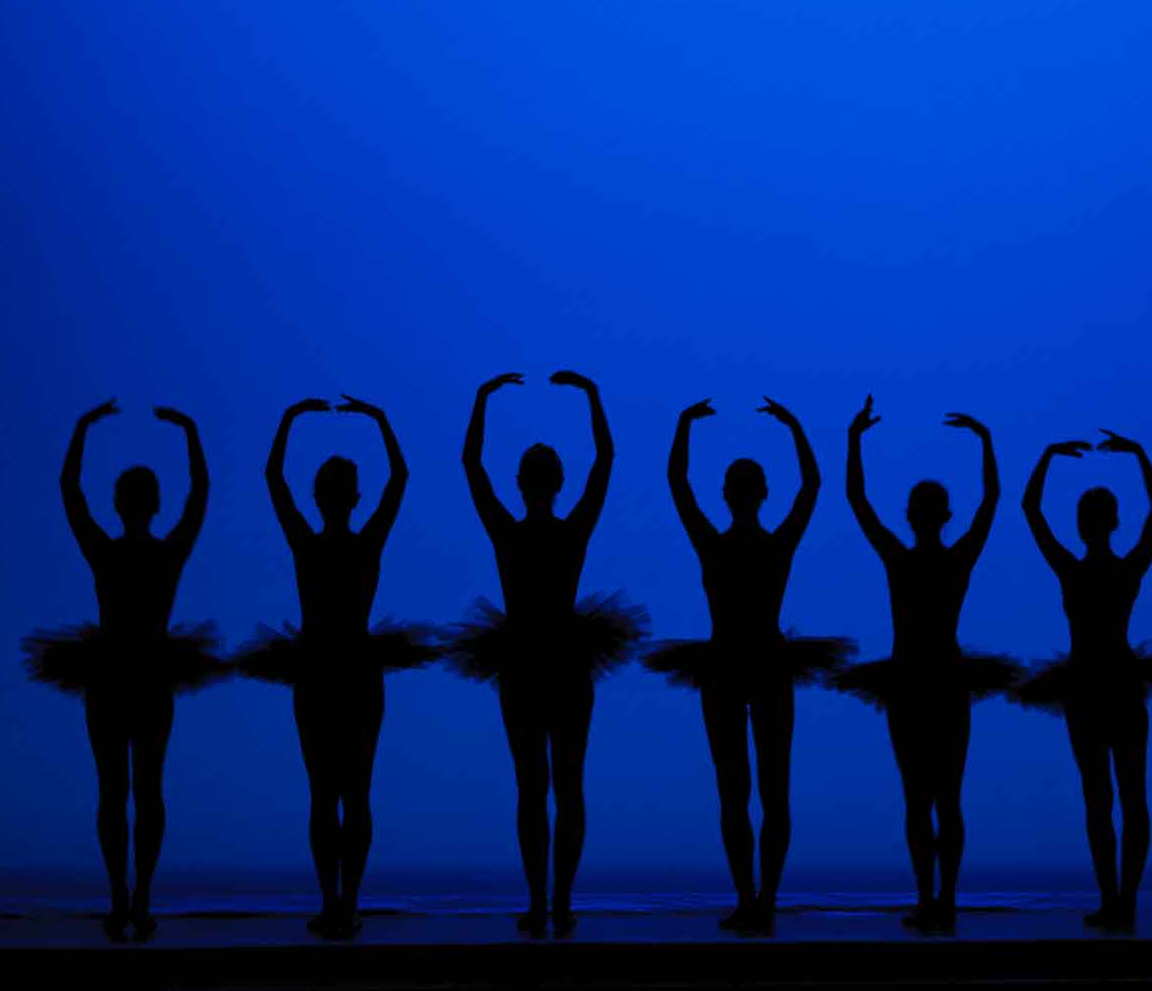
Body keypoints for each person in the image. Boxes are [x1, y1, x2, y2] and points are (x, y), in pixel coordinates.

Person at [641, 396, 855, 933]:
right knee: (764, 788)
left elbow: (679, 486)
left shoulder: (719, 545)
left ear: (733, 495)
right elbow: (811, 488)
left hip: (735, 665)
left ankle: (752, 899)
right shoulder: (769, 544)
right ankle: (761, 900)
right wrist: (794, 426)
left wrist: (684, 425)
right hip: (757, 665)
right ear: (759, 494)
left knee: (737, 789)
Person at [446, 370, 649, 936]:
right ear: (558, 482)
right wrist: (592, 394)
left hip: (527, 665)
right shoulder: (569, 530)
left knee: (533, 788)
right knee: (567, 786)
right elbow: (605, 461)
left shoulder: (509, 534)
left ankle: (542, 902)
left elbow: (471, 467)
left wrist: (482, 399)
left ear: (522, 482)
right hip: (563, 664)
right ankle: (558, 902)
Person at [24, 399, 229, 941]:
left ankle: (124, 897)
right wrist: (190, 433)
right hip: (142, 678)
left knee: (115, 790)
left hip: (116, 678)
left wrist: (82, 429)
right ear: (153, 503)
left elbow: (70, 491)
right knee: (145, 788)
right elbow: (200, 496)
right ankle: (137, 897)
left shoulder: (109, 551)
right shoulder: (164, 552)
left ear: (119, 503)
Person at [235, 395, 438, 939]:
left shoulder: (311, 542)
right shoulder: (361, 541)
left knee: (325, 792)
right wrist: (379, 419)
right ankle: (345, 902)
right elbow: (398, 480)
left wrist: (290, 418)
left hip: (324, 671)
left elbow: (274, 479)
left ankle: (336, 902)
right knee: (352, 792)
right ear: (352, 497)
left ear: (323, 497)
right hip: (349, 672)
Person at [826, 396, 1020, 933]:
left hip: (915, 682)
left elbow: (858, 501)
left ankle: (933, 898)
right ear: (941, 515)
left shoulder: (903, 556)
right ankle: (943, 901)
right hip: (937, 682)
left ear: (913, 516)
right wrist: (985, 442)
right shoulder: (951, 559)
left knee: (920, 797)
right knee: (945, 797)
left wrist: (855, 439)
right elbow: (990, 503)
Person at [1017, 431, 1152, 932]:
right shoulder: (1127, 569)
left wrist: (1048, 456)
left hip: (1092, 690)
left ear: (1083, 526)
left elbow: (1030, 510)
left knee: (1100, 799)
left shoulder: (1073, 571)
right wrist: (1141, 455)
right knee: (1130, 797)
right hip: (1115, 688)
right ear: (1112, 522)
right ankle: (1123, 902)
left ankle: (1114, 900)